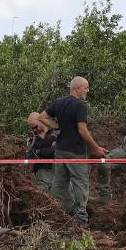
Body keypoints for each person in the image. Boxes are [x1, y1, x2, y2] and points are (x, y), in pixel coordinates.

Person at [41, 77, 107, 224]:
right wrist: (95, 148)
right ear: (77, 89)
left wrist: (56, 126)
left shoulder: (59, 102)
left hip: (60, 151)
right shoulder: (80, 105)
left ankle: (54, 216)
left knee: (59, 183)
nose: (88, 90)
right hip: (76, 152)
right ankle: (81, 220)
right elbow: (83, 130)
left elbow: (42, 116)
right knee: (81, 184)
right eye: (86, 87)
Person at [26, 111, 60, 191]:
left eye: (35, 126)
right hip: (42, 171)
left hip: (59, 170)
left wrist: (40, 152)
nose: (34, 130)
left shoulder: (56, 132)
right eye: (32, 128)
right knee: (42, 193)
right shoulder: (33, 139)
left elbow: (59, 149)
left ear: (41, 121)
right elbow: (31, 155)